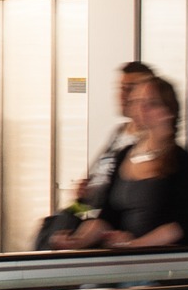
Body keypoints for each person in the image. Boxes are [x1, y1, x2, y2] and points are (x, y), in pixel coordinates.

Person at [56, 75, 188, 290]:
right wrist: (77, 241)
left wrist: (133, 245)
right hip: (122, 263)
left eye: (150, 103)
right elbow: (106, 216)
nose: (141, 109)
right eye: (137, 102)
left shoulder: (179, 161)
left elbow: (178, 227)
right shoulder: (124, 155)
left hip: (156, 269)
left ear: (168, 111)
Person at [37, 61, 153, 249]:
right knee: (53, 226)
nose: (123, 96)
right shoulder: (119, 132)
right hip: (88, 208)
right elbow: (99, 173)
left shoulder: (147, 143)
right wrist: (86, 189)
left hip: (108, 216)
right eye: (121, 89)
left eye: (130, 89)